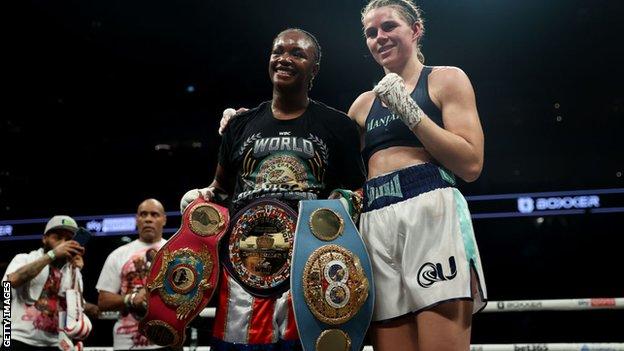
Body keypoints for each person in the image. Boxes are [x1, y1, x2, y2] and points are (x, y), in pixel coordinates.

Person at [180, 28, 365, 351]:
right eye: (278, 51)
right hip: (245, 264)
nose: (284, 59)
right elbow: (220, 188)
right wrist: (202, 199)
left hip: (308, 264)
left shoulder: (338, 126)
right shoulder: (240, 124)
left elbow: (358, 191)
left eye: (297, 54)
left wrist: (344, 201)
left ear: (314, 69)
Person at [347, 1, 488, 350]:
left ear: (415, 30)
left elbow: (470, 164)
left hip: (432, 211)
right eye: (371, 32)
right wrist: (248, 127)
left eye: (389, 27)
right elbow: (334, 166)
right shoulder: (362, 105)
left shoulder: (446, 79)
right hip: (375, 222)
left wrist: (410, 112)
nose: (379, 37)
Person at [2, 215, 88, 350]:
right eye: (58, 237)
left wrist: (76, 272)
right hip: (17, 338)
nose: (64, 243)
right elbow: (11, 281)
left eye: (69, 239)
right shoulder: (24, 258)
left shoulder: (72, 270)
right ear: (44, 239)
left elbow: (75, 309)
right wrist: (53, 254)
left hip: (54, 343)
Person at [96, 198, 169, 351]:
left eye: (154, 215)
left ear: (164, 220)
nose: (148, 219)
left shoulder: (176, 254)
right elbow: (103, 301)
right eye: (143, 214)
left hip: (168, 340)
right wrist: (132, 299)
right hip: (128, 342)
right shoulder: (118, 255)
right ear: (137, 220)